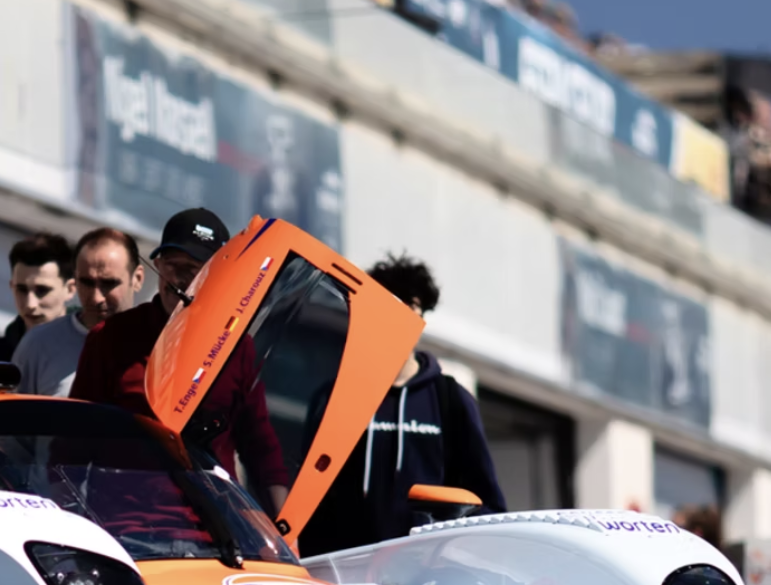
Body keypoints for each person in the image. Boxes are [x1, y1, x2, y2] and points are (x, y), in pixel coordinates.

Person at [69, 207, 292, 510]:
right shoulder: (109, 337)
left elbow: (262, 451)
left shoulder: (238, 348)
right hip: (124, 521)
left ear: (220, 276)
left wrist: (284, 529)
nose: (180, 279)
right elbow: (73, 439)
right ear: (158, 264)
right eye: (172, 265)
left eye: (194, 269)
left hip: (214, 521)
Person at [300, 253, 506, 555]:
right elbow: (310, 495)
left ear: (422, 316)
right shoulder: (337, 396)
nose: (402, 315)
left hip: (427, 568)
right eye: (391, 303)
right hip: (349, 566)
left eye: (412, 306)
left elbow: (486, 501)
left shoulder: (450, 398)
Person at [11, 227, 145, 398]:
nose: (96, 298)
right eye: (87, 283)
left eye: (108, 283)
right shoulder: (38, 345)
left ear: (137, 279)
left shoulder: (159, 347)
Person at [0, 232, 74, 363]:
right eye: (22, 289)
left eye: (42, 290)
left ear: (70, 289)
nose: (30, 304)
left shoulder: (90, 352)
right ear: (12, 286)